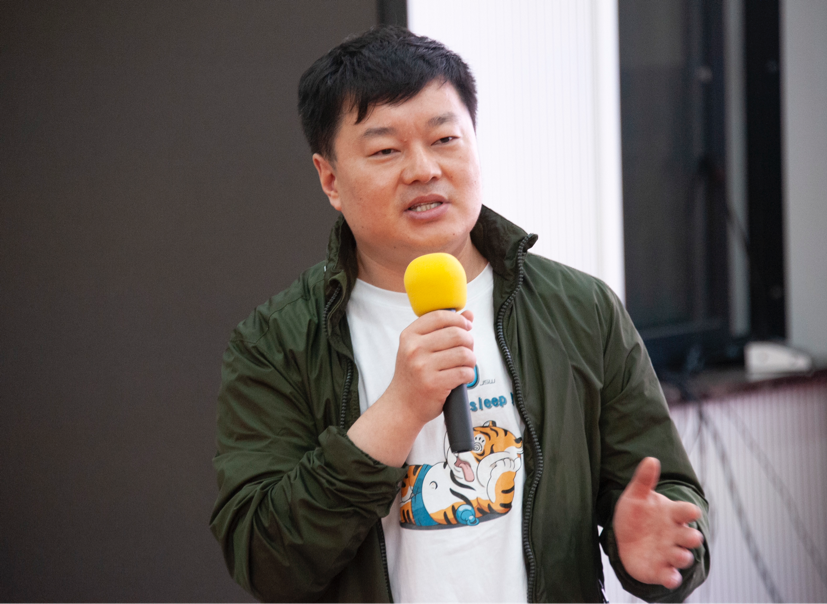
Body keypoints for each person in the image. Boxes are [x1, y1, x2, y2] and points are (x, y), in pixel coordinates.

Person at [211, 25, 709, 604]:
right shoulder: (276, 342)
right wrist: (398, 410)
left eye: (445, 139)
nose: (423, 169)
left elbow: (668, 494)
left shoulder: (582, 310)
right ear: (330, 179)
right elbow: (266, 561)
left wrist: (658, 550)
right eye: (385, 150)